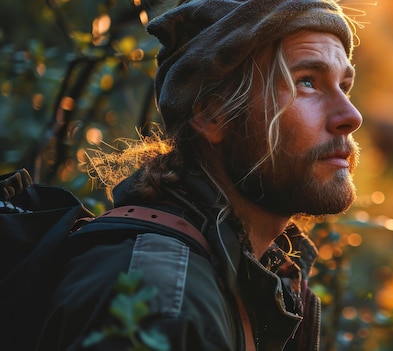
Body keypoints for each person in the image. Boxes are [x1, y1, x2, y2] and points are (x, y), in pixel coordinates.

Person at [37, 0, 363, 350]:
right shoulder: (161, 303)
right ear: (212, 116)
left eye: (343, 86)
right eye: (308, 82)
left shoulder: (248, 272)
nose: (351, 116)